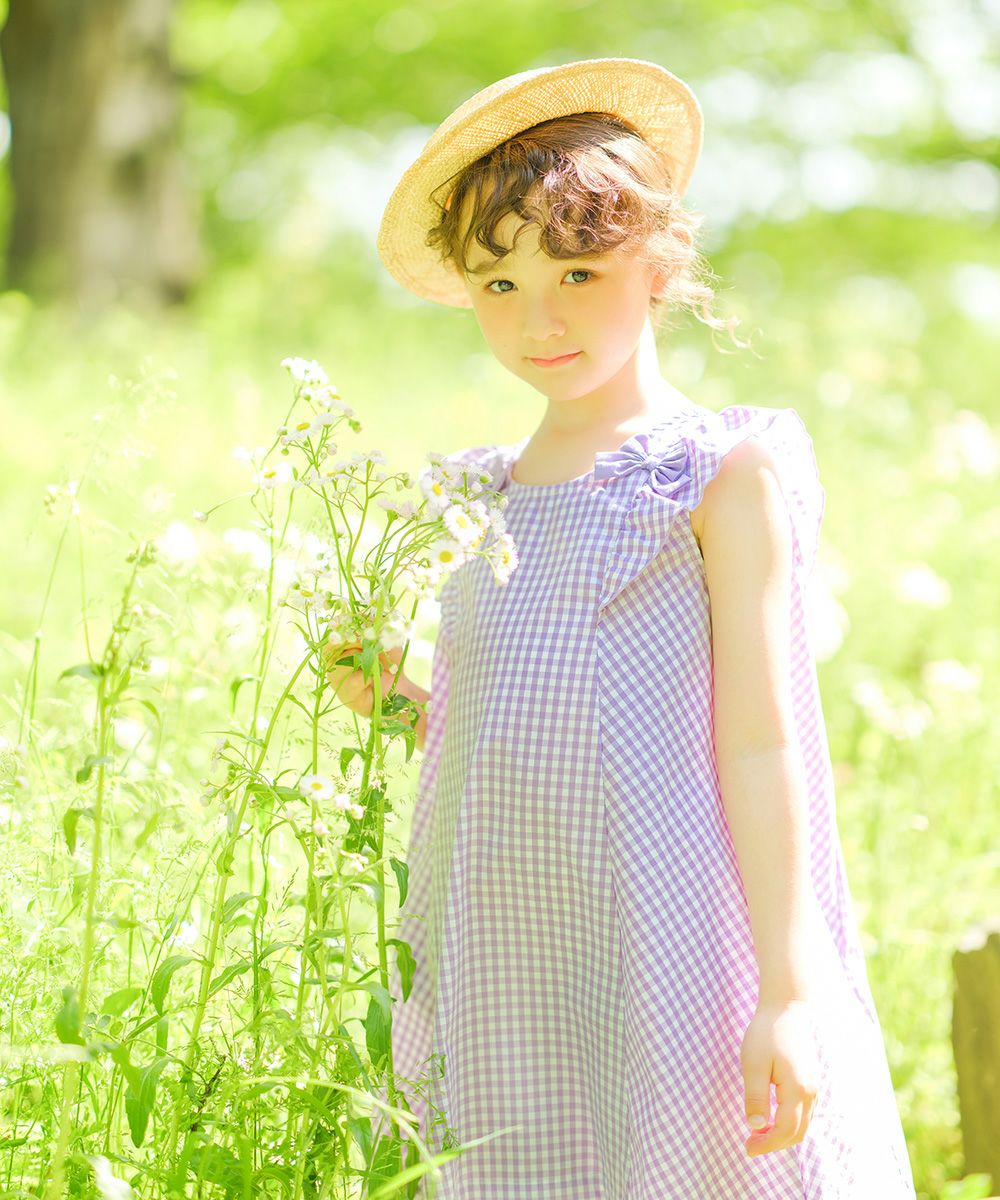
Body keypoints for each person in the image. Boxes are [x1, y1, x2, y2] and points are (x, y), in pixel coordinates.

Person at [331, 56, 918, 1199]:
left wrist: (789, 987)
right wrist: (395, 697)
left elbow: (761, 741)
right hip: (508, 942)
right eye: (498, 285)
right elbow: (502, 737)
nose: (537, 318)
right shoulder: (478, 498)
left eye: (578, 269)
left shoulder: (712, 473)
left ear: (656, 262)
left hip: (672, 943)